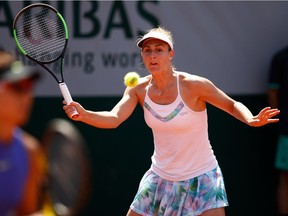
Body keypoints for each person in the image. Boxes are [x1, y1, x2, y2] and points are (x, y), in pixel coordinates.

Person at [64, 26, 280, 216]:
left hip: (202, 175)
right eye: (147, 51)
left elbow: (231, 104)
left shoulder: (194, 85)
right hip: (161, 177)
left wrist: (250, 118)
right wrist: (84, 114)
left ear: (170, 54)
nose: (153, 56)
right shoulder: (137, 89)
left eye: (159, 49)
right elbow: (114, 118)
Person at [0, 49, 45, 216]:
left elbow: (26, 212)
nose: (27, 96)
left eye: (28, 87)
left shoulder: (29, 150)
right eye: (17, 88)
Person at [268, 46, 288, 216]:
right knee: (285, 177)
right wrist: (278, 121)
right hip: (286, 130)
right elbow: (272, 91)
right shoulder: (281, 58)